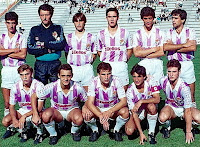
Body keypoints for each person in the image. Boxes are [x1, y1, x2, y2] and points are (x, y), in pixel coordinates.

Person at [31, 64, 89, 145]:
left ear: (72, 76)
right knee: (45, 116)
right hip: (57, 111)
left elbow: (86, 99)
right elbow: (34, 96)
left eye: (68, 76)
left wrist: (85, 106)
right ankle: (53, 135)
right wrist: (35, 114)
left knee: (79, 119)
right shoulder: (51, 86)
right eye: (63, 76)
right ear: (58, 75)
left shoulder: (78, 87)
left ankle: (74, 131)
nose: (66, 79)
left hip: (71, 110)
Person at [159, 59, 200, 144]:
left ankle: (191, 127)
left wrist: (188, 132)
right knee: (162, 118)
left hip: (184, 108)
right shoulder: (163, 80)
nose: (171, 74)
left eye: (174, 71)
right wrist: (148, 80)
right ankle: (167, 127)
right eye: (169, 71)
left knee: (199, 118)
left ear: (179, 72)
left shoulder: (184, 88)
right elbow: (153, 88)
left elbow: (188, 110)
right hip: (171, 107)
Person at [85, 62, 129, 142]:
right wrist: (101, 116)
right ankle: (95, 130)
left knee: (125, 111)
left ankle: (116, 130)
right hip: (98, 108)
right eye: (103, 74)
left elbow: (124, 101)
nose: (106, 77)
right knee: (87, 114)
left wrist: (110, 111)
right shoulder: (93, 82)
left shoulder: (117, 80)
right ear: (98, 74)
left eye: (109, 74)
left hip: (112, 108)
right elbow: (90, 103)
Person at [2, 64, 44, 144]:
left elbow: (39, 108)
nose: (24, 77)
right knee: (6, 121)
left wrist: (24, 116)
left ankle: (40, 133)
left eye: (27, 74)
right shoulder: (15, 86)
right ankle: (24, 131)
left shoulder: (39, 85)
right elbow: (11, 106)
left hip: (35, 111)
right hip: (22, 110)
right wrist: (14, 120)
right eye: (22, 75)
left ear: (31, 73)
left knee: (39, 116)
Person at [164, 9, 197, 107]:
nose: (173, 20)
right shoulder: (169, 32)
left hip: (186, 64)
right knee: (171, 91)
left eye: (176, 18)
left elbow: (193, 47)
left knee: (190, 93)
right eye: (172, 18)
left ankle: (192, 113)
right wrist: (184, 45)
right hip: (172, 65)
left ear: (182, 20)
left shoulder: (190, 31)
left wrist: (173, 47)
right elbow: (166, 47)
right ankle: (170, 113)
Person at [27, 4, 66, 85]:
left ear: (51, 14)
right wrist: (51, 49)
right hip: (40, 64)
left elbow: (61, 44)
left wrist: (44, 44)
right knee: (40, 92)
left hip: (55, 64)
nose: (44, 17)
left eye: (47, 15)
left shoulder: (58, 28)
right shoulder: (34, 29)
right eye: (42, 15)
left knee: (57, 91)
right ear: (39, 16)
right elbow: (30, 48)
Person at [96, 7, 132, 90]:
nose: (112, 19)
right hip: (106, 67)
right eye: (109, 17)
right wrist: (105, 60)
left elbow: (130, 49)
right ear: (106, 18)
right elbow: (99, 50)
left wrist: (124, 60)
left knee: (123, 92)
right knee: (107, 90)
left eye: (114, 16)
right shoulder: (101, 34)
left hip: (120, 65)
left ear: (118, 18)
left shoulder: (125, 32)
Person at [0, 12, 27, 121]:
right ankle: (10, 126)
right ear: (5, 23)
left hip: (19, 71)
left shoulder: (21, 37)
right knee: (7, 103)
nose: (11, 26)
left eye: (13, 23)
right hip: (6, 71)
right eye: (9, 23)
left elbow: (23, 55)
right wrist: (13, 50)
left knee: (23, 101)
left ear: (16, 23)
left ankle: (24, 126)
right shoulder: (1, 37)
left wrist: (5, 52)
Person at [125, 64, 160, 145]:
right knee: (129, 131)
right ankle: (138, 129)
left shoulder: (151, 82)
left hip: (149, 107)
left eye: (139, 76)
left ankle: (151, 133)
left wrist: (141, 101)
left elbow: (157, 99)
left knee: (151, 106)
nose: (136, 79)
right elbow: (134, 113)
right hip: (138, 112)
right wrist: (141, 133)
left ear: (144, 77)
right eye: (134, 76)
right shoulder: (130, 91)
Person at [132, 7, 165, 85]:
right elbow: (136, 54)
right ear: (142, 19)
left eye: (150, 18)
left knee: (156, 89)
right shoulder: (137, 34)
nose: (148, 21)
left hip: (157, 63)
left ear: (153, 18)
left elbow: (162, 52)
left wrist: (143, 53)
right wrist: (153, 49)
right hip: (143, 64)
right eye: (145, 18)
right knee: (144, 88)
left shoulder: (160, 33)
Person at [65, 13, 97, 92]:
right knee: (73, 94)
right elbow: (66, 52)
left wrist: (88, 62)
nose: (78, 23)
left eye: (81, 21)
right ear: (73, 23)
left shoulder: (91, 37)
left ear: (84, 22)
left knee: (89, 95)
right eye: (76, 21)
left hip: (86, 69)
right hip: (73, 68)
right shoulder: (68, 37)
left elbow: (94, 53)